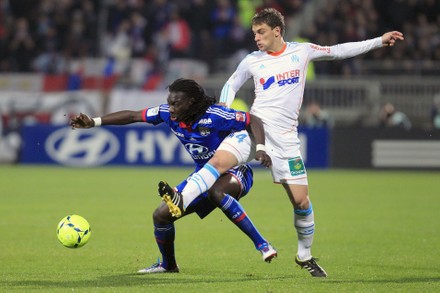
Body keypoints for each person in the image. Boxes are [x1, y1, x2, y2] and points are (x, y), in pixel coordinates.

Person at [162, 8, 404, 277]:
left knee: (301, 202)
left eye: (261, 32)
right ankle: (180, 198)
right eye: (254, 32)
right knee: (218, 163)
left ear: (277, 31)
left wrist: (378, 40)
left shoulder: (301, 52)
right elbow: (231, 84)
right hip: (255, 128)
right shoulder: (252, 60)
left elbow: (338, 50)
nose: (256, 37)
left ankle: (304, 255)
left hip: (287, 139)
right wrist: (224, 109)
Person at [70, 78, 277, 273]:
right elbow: (133, 116)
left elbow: (253, 120)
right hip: (200, 177)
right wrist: (93, 122)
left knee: (217, 192)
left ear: (191, 102)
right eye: (169, 103)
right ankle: (168, 265)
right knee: (160, 216)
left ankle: (263, 244)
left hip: (234, 172)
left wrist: (260, 147)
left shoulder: (215, 116)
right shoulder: (168, 114)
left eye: (176, 104)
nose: (171, 108)